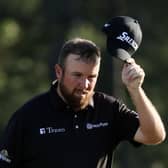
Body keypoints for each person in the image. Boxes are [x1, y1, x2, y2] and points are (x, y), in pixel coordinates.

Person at [0, 37, 166, 168]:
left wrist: (135, 90)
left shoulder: (108, 109)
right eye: (77, 75)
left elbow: (154, 136)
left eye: (91, 77)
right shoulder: (28, 116)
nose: (85, 85)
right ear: (59, 72)